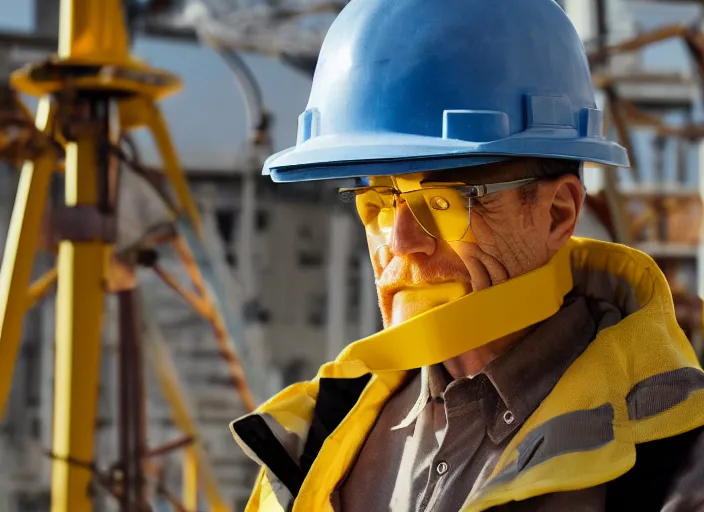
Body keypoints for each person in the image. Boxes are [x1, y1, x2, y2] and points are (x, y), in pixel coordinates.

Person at [230, 0, 704, 510]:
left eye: (445, 202)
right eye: (379, 205)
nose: (401, 241)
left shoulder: (672, 460)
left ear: (557, 214)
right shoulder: (317, 440)